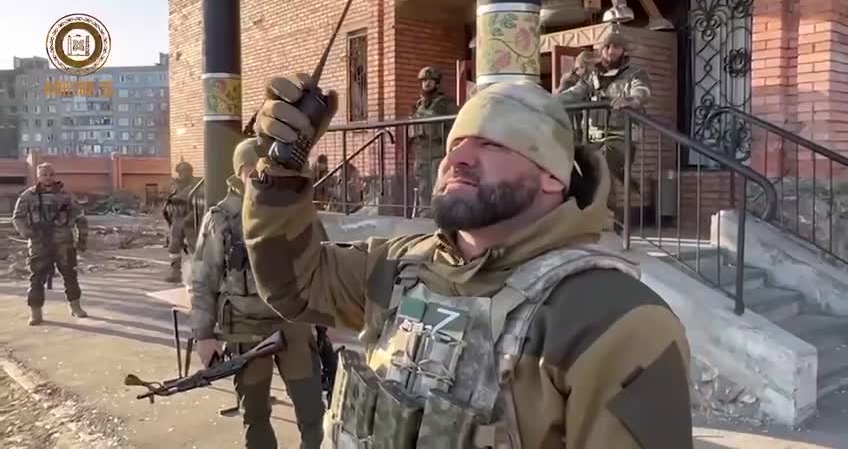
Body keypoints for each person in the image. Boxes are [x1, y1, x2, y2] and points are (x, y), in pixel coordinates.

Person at [243, 74, 693, 448]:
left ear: (553, 178)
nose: (456, 157)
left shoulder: (615, 320)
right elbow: (295, 286)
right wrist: (281, 171)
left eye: (491, 145)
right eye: (455, 144)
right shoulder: (400, 265)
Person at [189, 139, 325, 449]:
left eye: (269, 170)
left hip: (293, 323)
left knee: (313, 412)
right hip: (246, 328)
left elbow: (322, 262)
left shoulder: (294, 209)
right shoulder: (221, 218)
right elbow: (202, 279)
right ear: (240, 174)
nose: (263, 177)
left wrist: (323, 313)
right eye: (254, 171)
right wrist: (204, 335)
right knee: (255, 415)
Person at [558, 31, 652, 217]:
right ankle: (594, 217)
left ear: (623, 50)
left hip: (621, 136)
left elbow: (643, 90)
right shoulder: (592, 76)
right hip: (593, 137)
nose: (610, 51)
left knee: (604, 166)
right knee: (584, 171)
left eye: (616, 47)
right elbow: (574, 94)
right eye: (607, 47)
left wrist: (632, 99)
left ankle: (608, 220)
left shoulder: (635, 73)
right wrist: (548, 101)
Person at [13, 162, 88, 325]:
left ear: (55, 175)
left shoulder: (66, 196)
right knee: (36, 278)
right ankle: (36, 313)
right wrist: (28, 233)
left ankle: (75, 307)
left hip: (64, 243)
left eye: (50, 174)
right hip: (39, 243)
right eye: (44, 174)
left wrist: (82, 241)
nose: (47, 177)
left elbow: (81, 218)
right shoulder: (28, 196)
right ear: (38, 176)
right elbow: (18, 217)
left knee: (70, 276)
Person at [410, 66, 459, 215]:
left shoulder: (446, 104)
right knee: (423, 188)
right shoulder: (418, 105)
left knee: (438, 187)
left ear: (437, 83)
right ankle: (425, 216)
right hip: (421, 154)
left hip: (438, 153)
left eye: (430, 81)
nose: (426, 84)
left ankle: (439, 216)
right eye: (424, 81)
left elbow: (457, 124)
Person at [162, 161, 202, 283]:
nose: (183, 174)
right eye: (181, 172)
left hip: (192, 218)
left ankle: (198, 273)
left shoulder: (197, 184)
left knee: (194, 246)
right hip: (177, 218)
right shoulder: (175, 185)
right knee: (174, 245)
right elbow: (169, 201)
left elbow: (194, 197)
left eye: (185, 171)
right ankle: (175, 272)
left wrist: (179, 198)